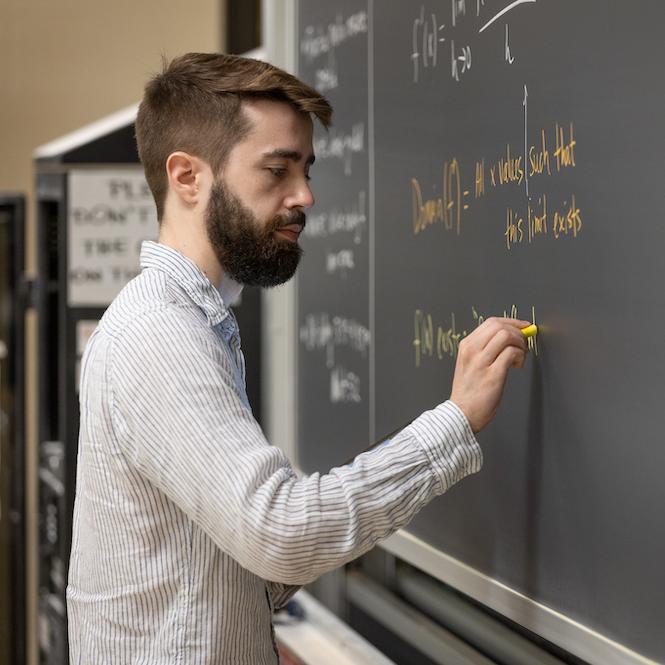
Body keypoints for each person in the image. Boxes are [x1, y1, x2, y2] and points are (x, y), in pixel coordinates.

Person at [67, 52, 529, 664]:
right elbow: (276, 532)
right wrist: (455, 421)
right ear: (187, 177)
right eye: (277, 170)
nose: (305, 195)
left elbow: (223, 549)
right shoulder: (159, 334)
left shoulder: (191, 322)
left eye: (305, 169)